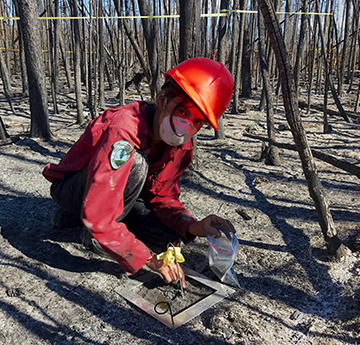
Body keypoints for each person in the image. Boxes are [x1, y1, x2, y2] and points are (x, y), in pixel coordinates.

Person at [42, 57, 236, 288]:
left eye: (197, 122)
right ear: (162, 99)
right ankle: (88, 226)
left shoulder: (182, 146)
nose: (188, 125)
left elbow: (163, 195)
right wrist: (150, 260)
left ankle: (90, 221)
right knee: (135, 165)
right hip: (73, 187)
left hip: (122, 193)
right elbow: (103, 209)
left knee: (167, 237)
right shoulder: (124, 128)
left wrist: (192, 225)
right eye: (183, 111)